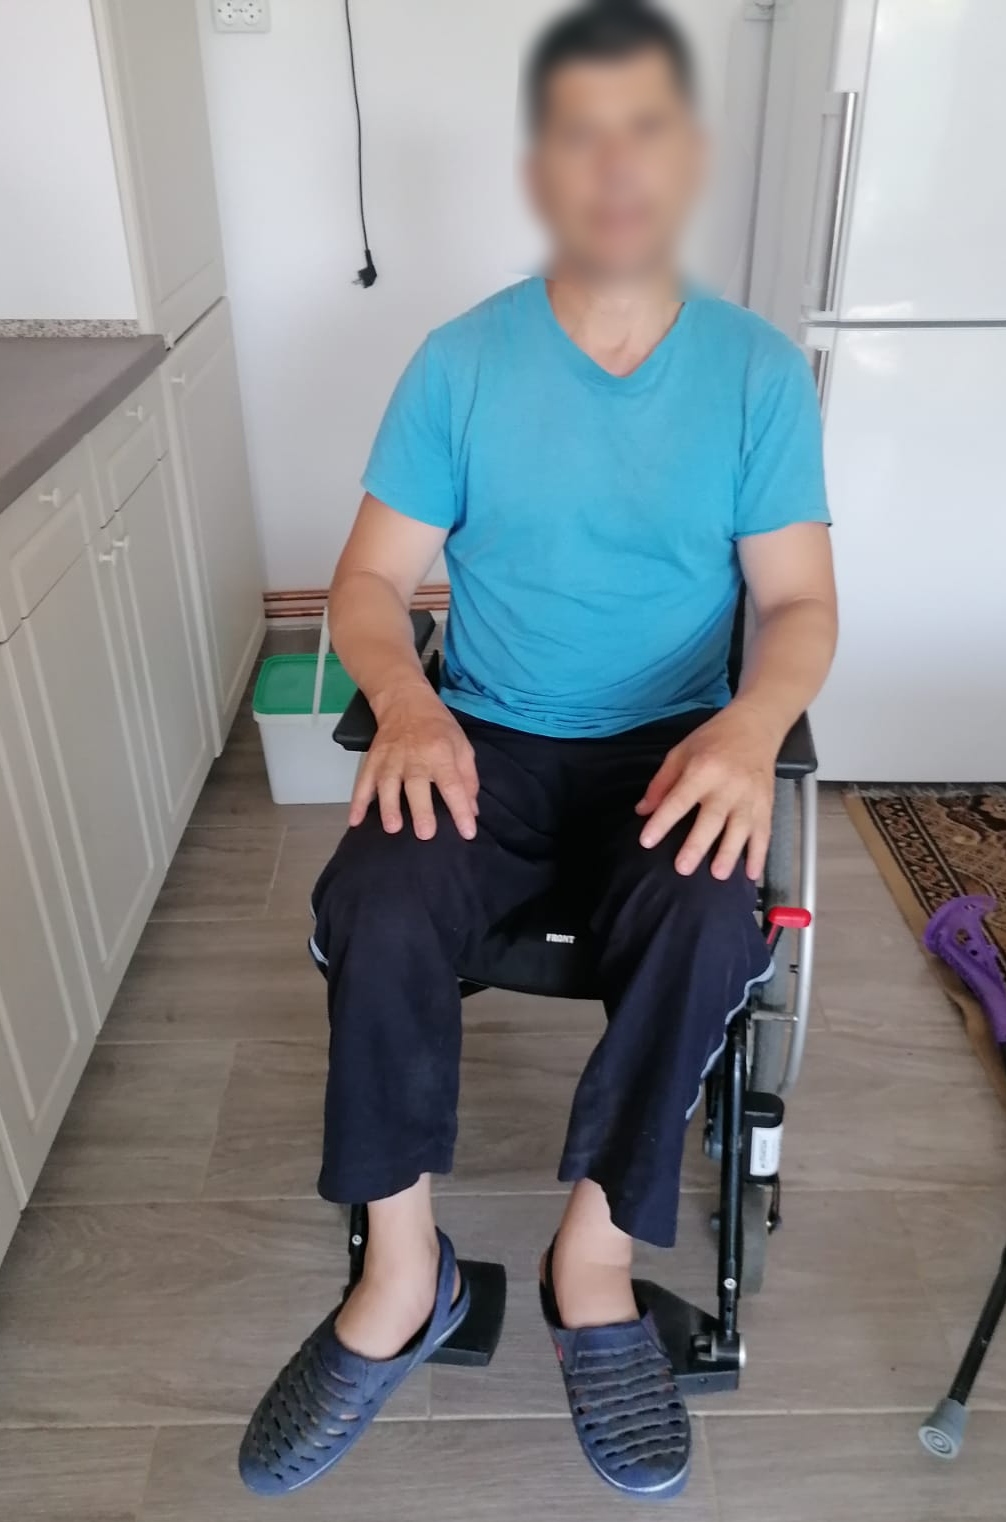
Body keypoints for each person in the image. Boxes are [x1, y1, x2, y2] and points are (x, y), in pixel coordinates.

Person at [240, 0, 837, 1502]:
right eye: (581, 134)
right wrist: (409, 699)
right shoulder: (462, 363)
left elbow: (797, 604)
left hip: (673, 746)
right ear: (542, 168)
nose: (614, 166)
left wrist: (750, 725)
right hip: (485, 734)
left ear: (685, 160)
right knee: (376, 895)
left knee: (711, 912)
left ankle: (594, 1265)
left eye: (646, 131)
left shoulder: (756, 374)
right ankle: (404, 1274)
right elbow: (367, 584)